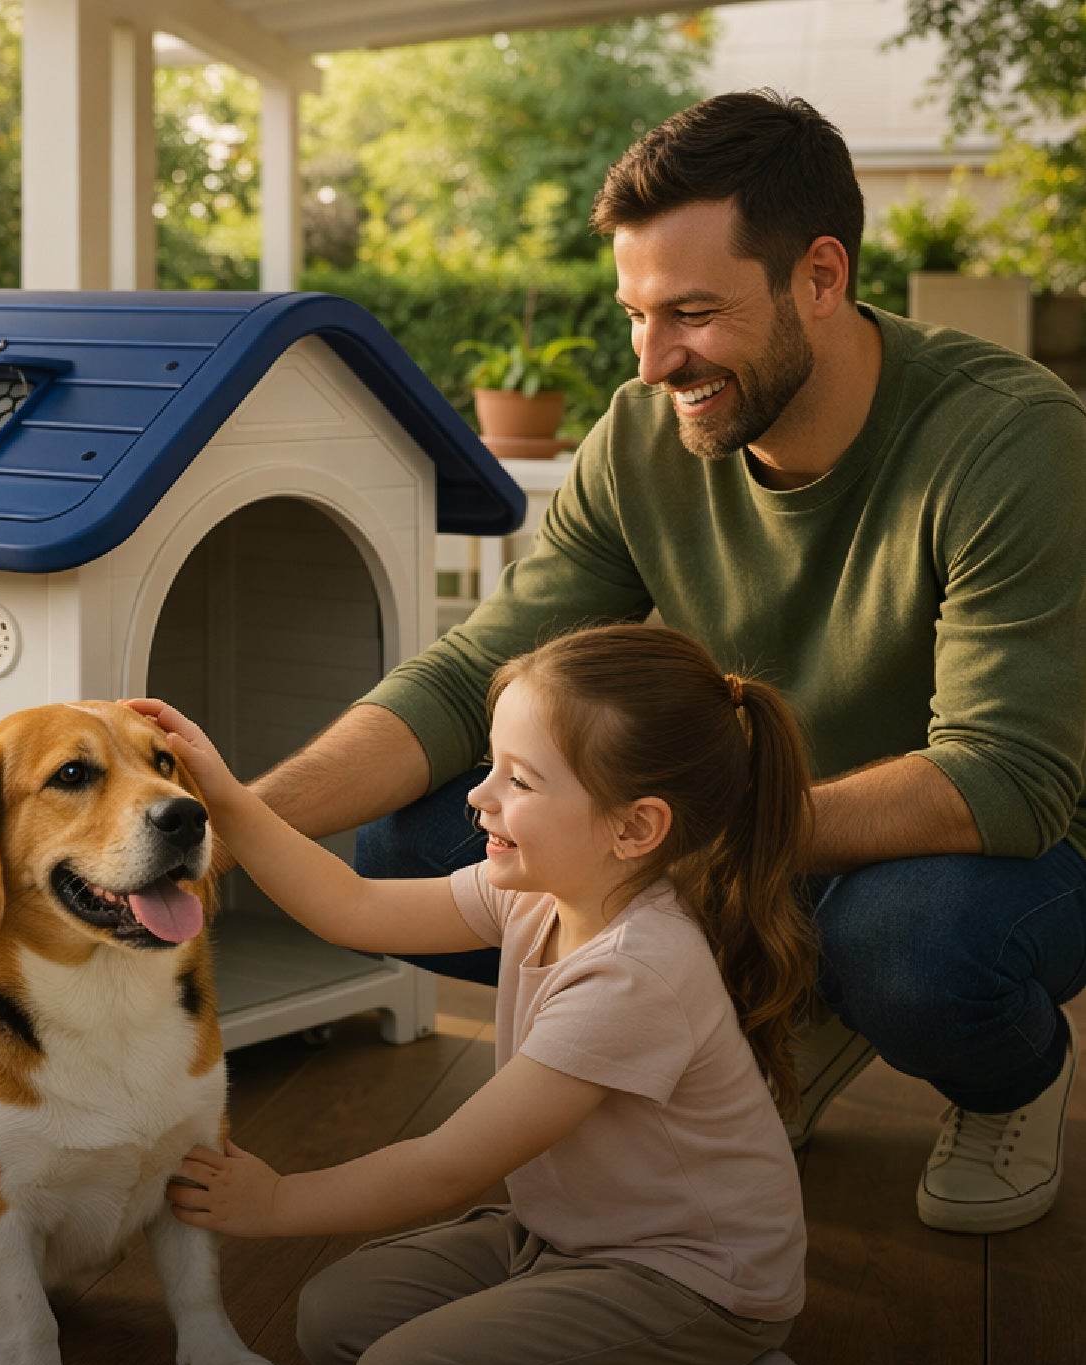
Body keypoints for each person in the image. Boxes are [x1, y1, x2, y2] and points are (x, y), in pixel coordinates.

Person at [243, 90, 1086, 1235]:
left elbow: (1005, 776)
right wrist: (239, 828)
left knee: (904, 945)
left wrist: (687, 844)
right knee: (409, 835)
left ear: (821, 278)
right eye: (637, 313)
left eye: (692, 312)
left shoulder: (1010, 440)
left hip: (998, 848)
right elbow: (466, 682)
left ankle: (1008, 1080)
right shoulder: (641, 439)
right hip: (752, 826)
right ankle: (773, 1011)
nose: (650, 362)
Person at [131, 624, 878, 1365]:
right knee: (332, 1323)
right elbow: (352, 906)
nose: (479, 797)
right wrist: (226, 796)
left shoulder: (635, 976)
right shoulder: (539, 890)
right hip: (565, 1238)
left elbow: (448, 1165)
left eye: (517, 779)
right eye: (491, 766)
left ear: (634, 828)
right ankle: (555, 1325)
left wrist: (275, 1204)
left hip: (696, 1287)